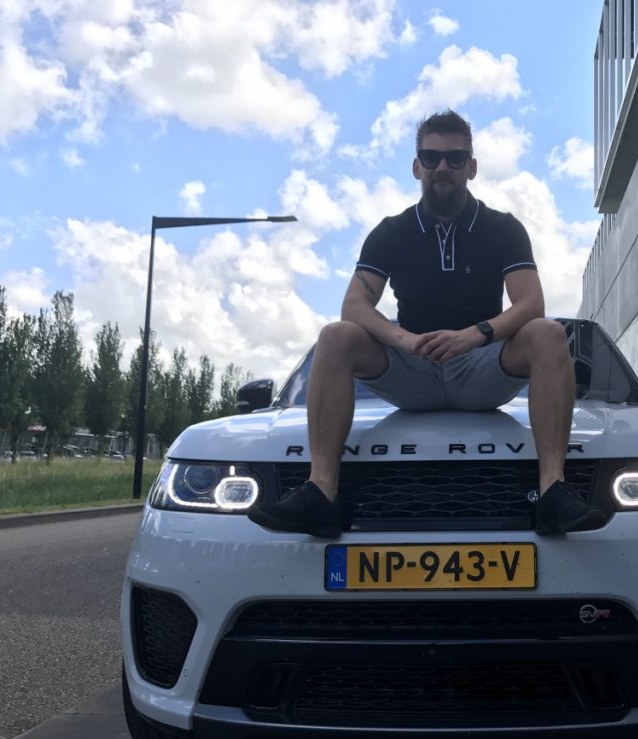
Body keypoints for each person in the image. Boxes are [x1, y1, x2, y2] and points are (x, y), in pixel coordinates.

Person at [249, 109, 609, 539]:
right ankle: (320, 494)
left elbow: (531, 303)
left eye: (454, 158)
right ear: (416, 166)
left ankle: (552, 493)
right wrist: (404, 339)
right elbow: (354, 305)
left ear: (471, 167)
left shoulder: (503, 228)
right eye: (431, 157)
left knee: (548, 333)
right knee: (335, 336)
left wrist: (475, 335)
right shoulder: (391, 232)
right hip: (412, 369)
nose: (442, 167)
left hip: (481, 368)